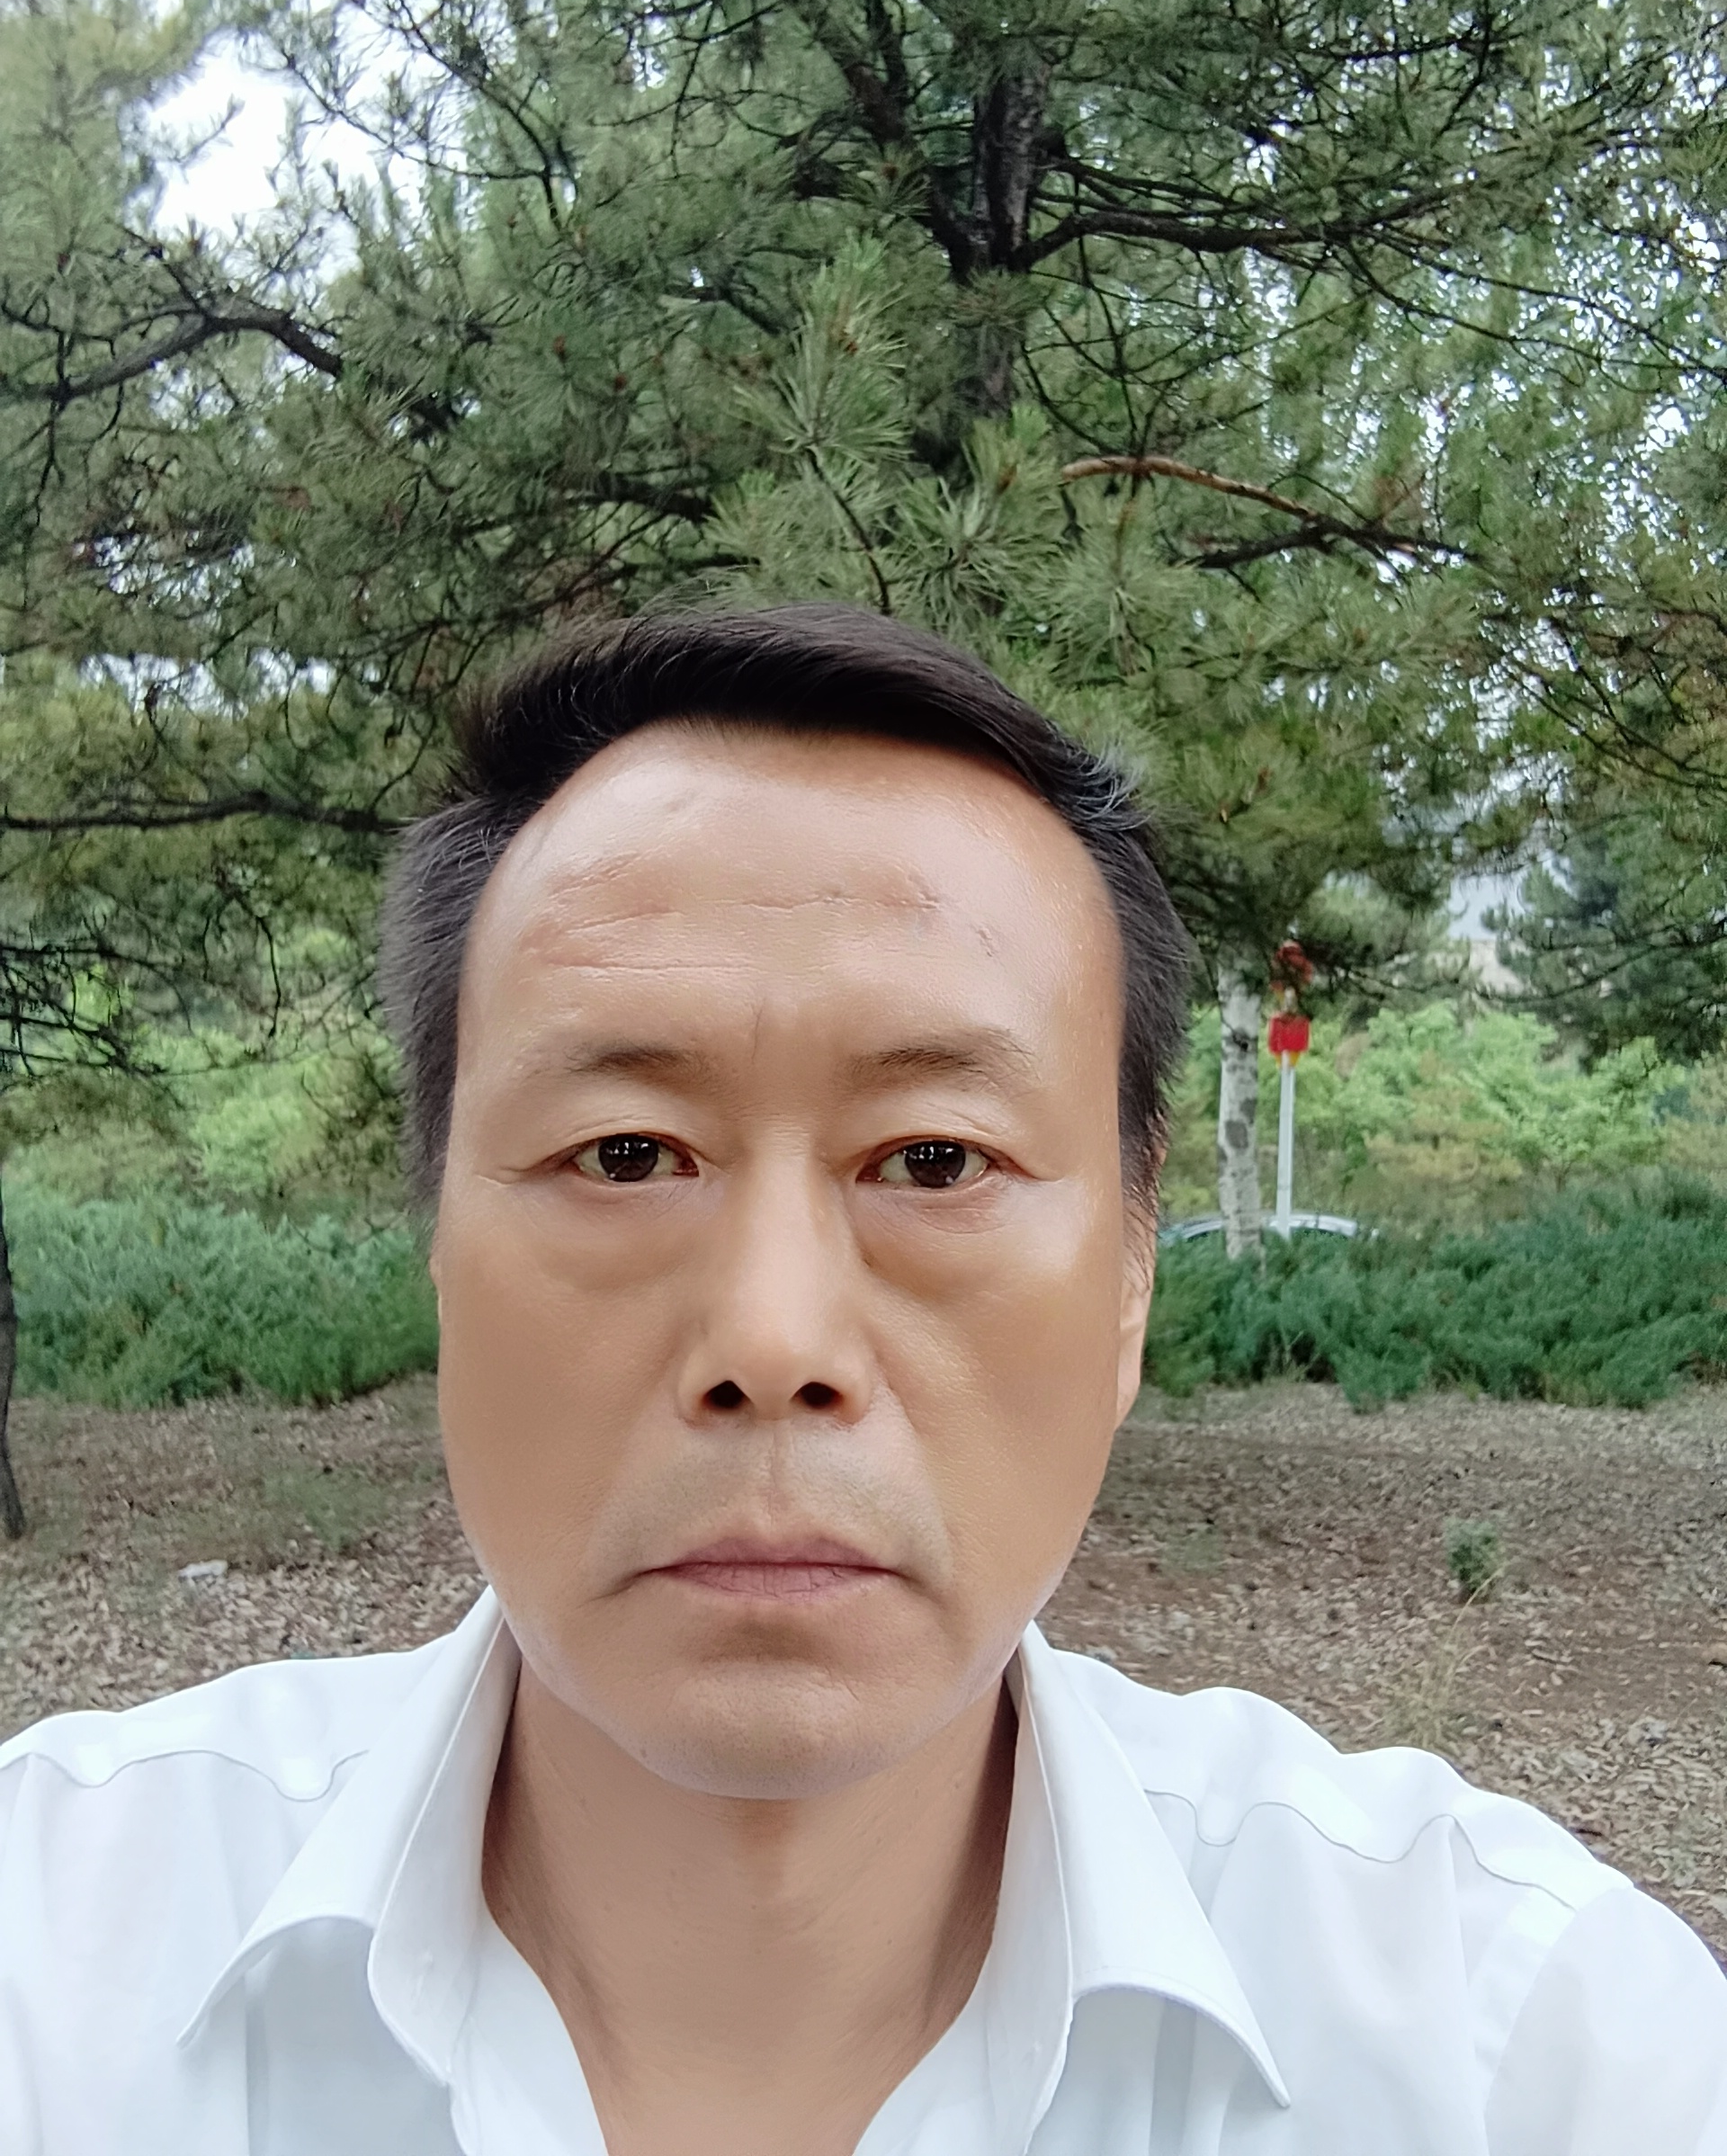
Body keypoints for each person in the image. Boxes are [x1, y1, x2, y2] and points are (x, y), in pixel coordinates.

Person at [1, 603, 1723, 2156]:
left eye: (934, 1160)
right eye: (624, 1153)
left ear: (1133, 1269)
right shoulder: (51, 1971)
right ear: (438, 1239)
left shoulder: (1523, 2056)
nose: (774, 1344)